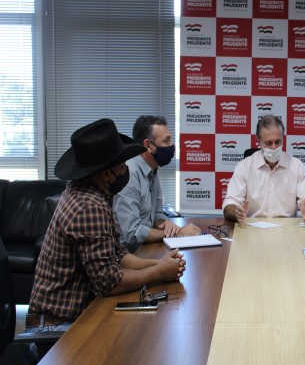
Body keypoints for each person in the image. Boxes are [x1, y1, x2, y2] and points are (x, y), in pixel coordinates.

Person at [27, 118, 187, 332]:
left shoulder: (94, 194)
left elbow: (117, 254)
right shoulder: (89, 206)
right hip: (56, 326)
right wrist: (158, 273)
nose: (126, 170)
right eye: (122, 165)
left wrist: (158, 264)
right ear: (105, 174)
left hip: (74, 315)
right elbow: (109, 282)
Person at [113, 115, 200, 252]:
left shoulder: (152, 169)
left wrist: (165, 224)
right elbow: (131, 234)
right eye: (166, 141)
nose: (172, 146)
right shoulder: (128, 174)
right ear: (148, 145)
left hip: (147, 249)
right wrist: (177, 233)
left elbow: (157, 215)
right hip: (127, 255)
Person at [223, 114, 305, 222]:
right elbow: (229, 203)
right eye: (268, 143)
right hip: (251, 227)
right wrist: (236, 212)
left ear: (283, 139)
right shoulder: (244, 167)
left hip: (286, 228)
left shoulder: (297, 167)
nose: (274, 147)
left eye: (278, 142)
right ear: (258, 141)